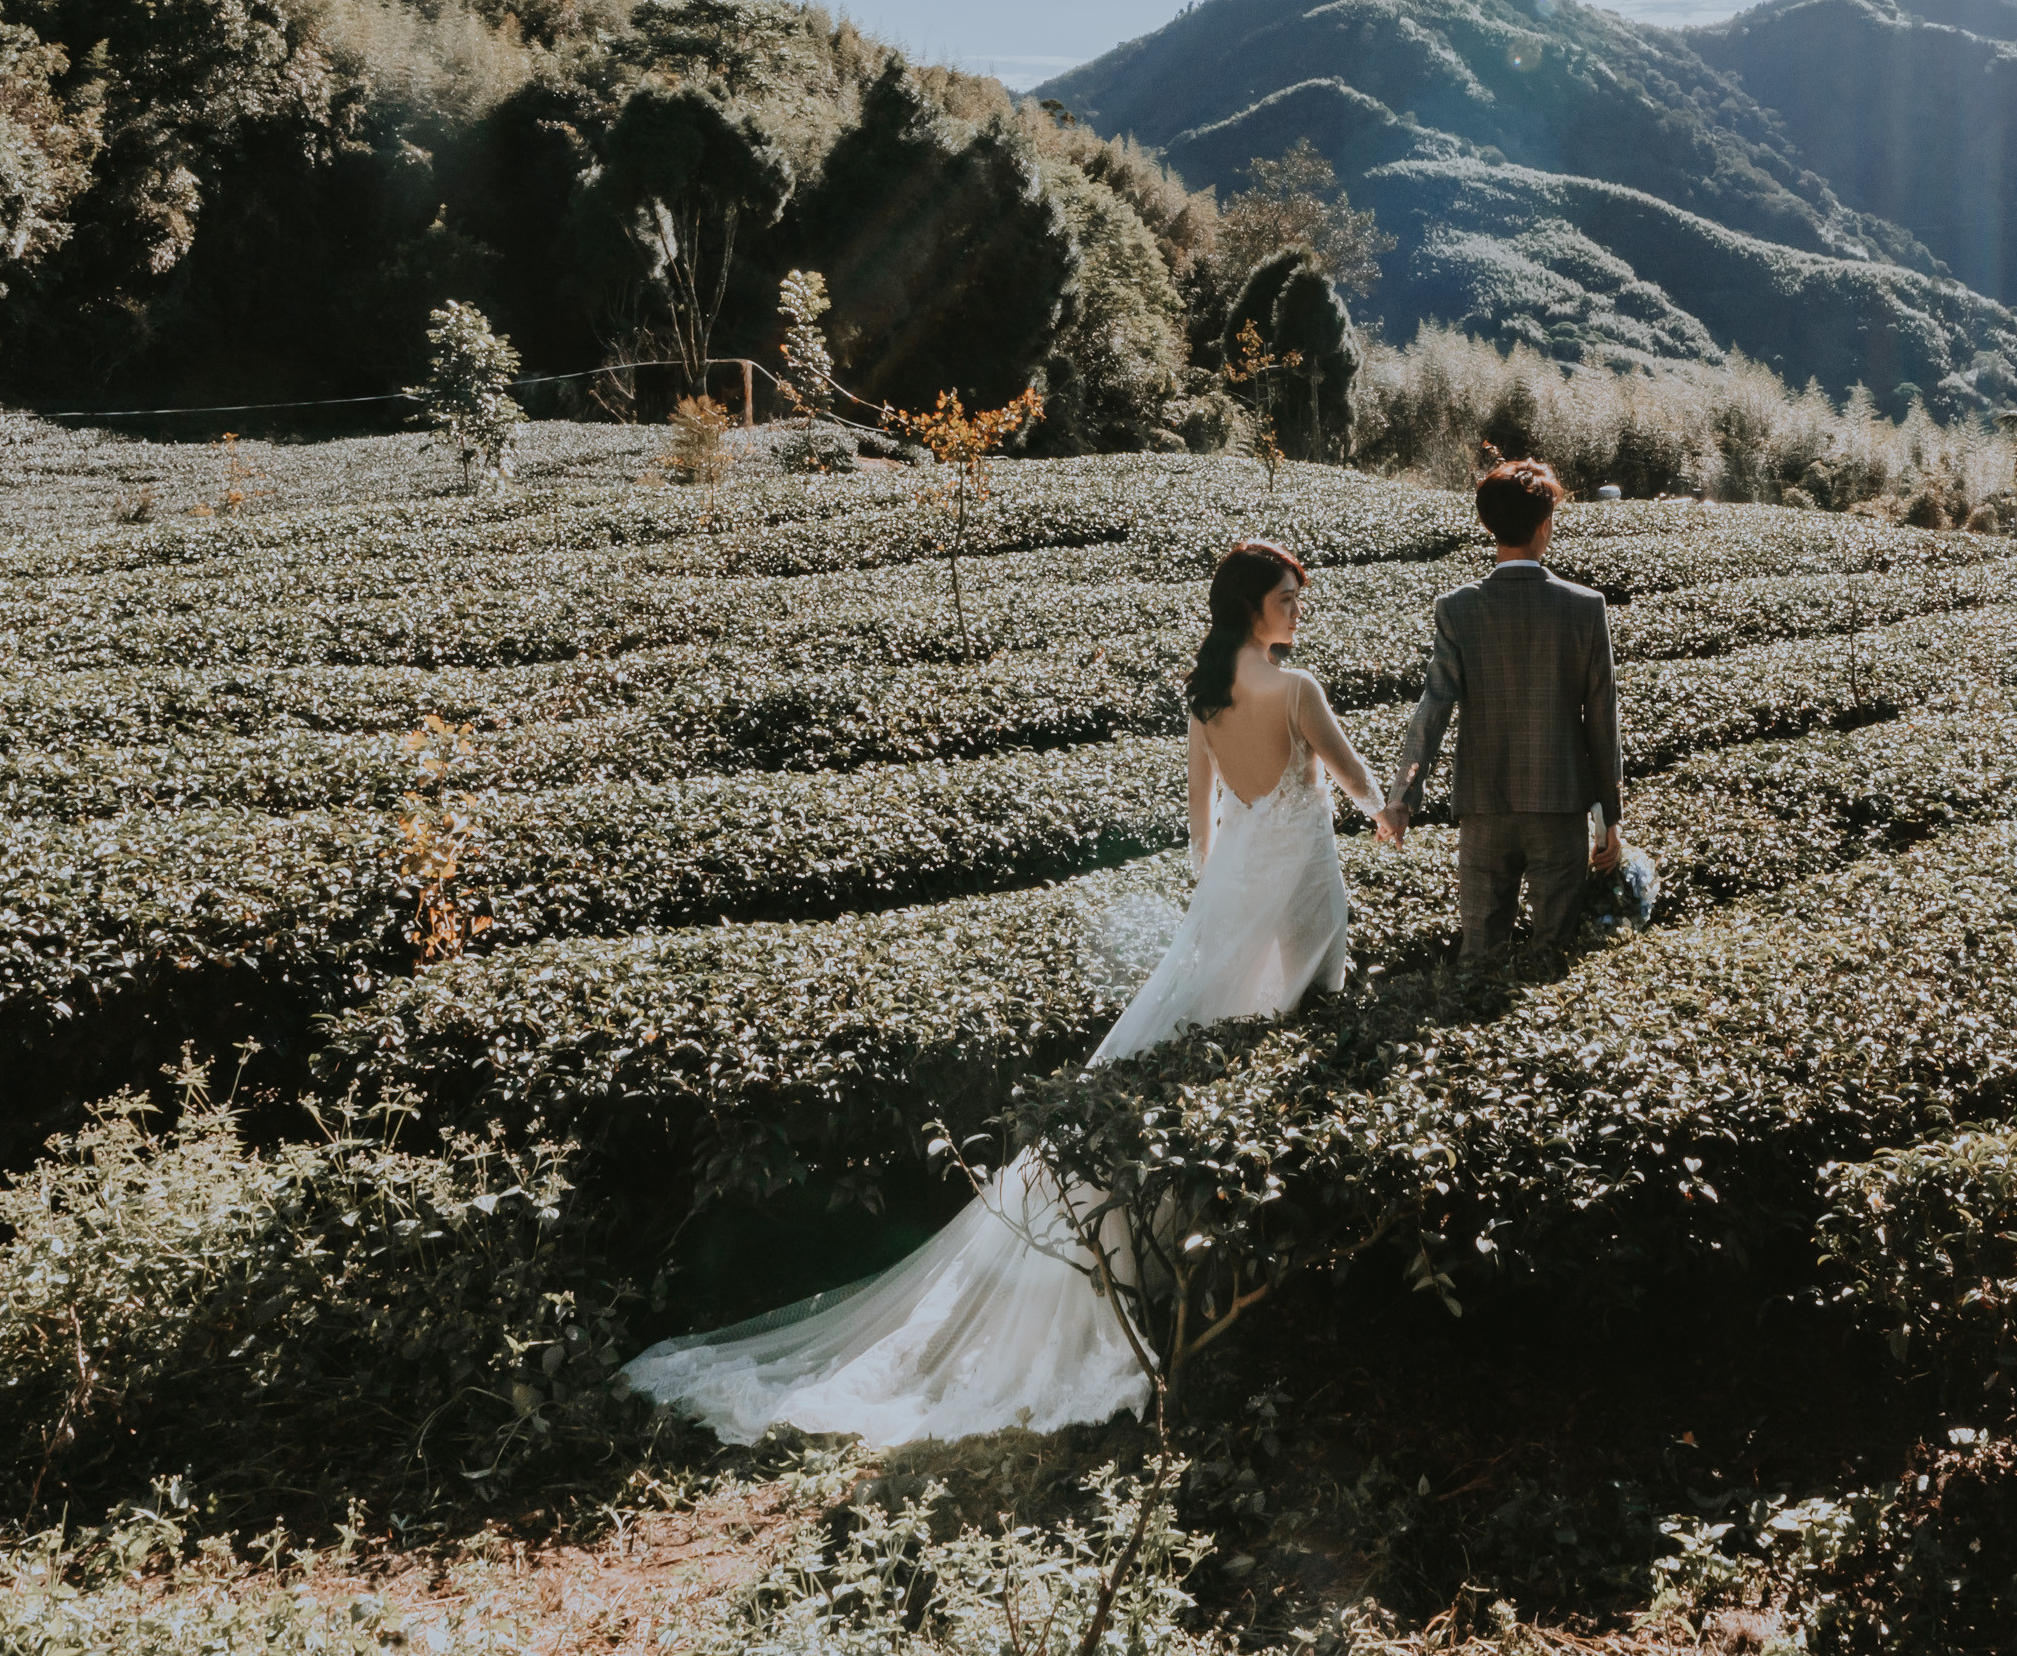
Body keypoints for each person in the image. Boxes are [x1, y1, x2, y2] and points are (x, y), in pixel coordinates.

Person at [618, 538, 1382, 1445]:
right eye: (1289, 593)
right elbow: (1355, 780)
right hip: (1301, 891)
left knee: (1201, 1050)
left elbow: (1201, 833)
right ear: (1255, 601)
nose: (1300, 605)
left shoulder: (1208, 694)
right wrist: (1390, 808)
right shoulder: (1298, 691)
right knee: (1290, 1038)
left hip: (1242, 894)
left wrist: (1217, 914)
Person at [1378, 456, 1623, 965]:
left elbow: (1433, 708)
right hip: (1559, 805)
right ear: (1545, 524)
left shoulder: (1459, 608)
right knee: (1554, 955)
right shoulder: (1584, 607)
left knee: (1479, 956)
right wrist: (1608, 819)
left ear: (1490, 525)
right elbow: (1601, 720)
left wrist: (1404, 795)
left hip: (1483, 805)